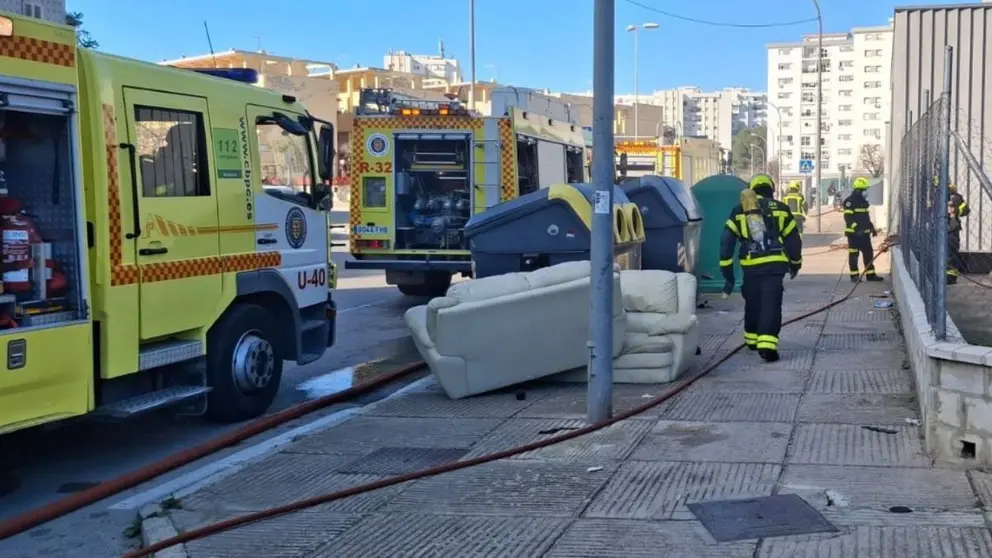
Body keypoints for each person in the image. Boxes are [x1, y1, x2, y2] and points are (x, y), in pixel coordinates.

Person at [719, 173, 803, 363]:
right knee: (771, 303)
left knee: (753, 301)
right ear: (771, 189)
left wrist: (728, 273)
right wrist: (795, 264)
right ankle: (767, 345)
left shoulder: (739, 210)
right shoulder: (781, 209)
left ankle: (752, 339)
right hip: (774, 266)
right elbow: (793, 240)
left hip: (750, 266)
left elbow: (726, 242)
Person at [842, 177, 883, 282]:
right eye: (864, 190)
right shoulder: (849, 202)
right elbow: (848, 218)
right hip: (854, 235)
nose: (866, 192)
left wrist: (871, 228)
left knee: (868, 254)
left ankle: (871, 275)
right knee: (854, 255)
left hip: (864, 234)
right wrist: (856, 228)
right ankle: (854, 275)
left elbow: (865, 217)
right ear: (858, 190)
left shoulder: (863, 202)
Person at [946, 182, 971, 284]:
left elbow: (966, 209)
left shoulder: (956, 197)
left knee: (951, 254)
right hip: (939, 229)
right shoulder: (935, 197)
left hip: (952, 229)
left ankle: (950, 277)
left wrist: (955, 211)